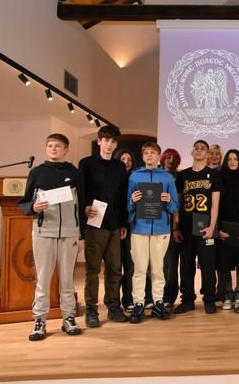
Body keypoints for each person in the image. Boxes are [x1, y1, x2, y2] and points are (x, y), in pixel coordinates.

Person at [19, 134, 86, 341]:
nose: (53, 148)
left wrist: (82, 236)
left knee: (67, 280)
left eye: (58, 145)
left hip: (69, 233)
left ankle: (68, 318)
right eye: (50, 145)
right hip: (43, 233)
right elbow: (24, 203)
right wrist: (34, 207)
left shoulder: (75, 173)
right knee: (42, 279)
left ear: (66, 150)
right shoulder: (37, 172)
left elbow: (82, 205)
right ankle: (39, 320)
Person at [79, 125, 129, 327]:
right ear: (99, 141)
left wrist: (124, 222)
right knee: (92, 269)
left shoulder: (119, 167)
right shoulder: (86, 164)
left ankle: (114, 306)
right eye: (106, 140)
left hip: (115, 224)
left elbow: (123, 195)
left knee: (115, 268)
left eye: (113, 141)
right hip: (94, 223)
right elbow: (81, 191)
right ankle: (91, 309)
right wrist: (85, 207)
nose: (109, 144)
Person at [127, 142, 178, 323]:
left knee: (158, 269)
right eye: (146, 153)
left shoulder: (167, 178)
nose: (149, 155)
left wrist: (169, 200)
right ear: (142, 156)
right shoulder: (134, 176)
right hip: (139, 229)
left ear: (158, 157)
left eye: (153, 153)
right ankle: (138, 304)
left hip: (161, 229)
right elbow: (128, 206)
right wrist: (133, 201)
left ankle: (158, 303)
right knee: (139, 269)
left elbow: (175, 207)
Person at [173, 140, 222, 314]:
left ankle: (209, 299)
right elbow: (177, 203)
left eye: (203, 149)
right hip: (186, 226)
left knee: (208, 265)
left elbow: (215, 204)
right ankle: (187, 300)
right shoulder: (183, 175)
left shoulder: (213, 175)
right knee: (186, 266)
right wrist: (176, 227)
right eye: (197, 148)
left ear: (207, 154)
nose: (199, 151)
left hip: (205, 226)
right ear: (192, 152)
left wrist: (212, 227)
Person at [217, 150, 239, 311]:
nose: (232, 161)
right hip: (224, 230)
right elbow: (214, 207)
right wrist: (218, 229)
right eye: (229, 159)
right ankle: (228, 295)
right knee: (225, 265)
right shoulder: (219, 179)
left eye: (235, 158)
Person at [113, 148, 143, 311]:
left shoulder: (135, 179)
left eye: (129, 160)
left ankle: (128, 299)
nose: (126, 162)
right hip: (116, 227)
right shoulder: (113, 179)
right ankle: (114, 302)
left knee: (130, 266)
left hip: (133, 227)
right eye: (123, 159)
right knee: (116, 267)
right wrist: (120, 225)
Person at [161, 148, 182, 308]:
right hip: (157, 222)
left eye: (174, 158)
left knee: (171, 262)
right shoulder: (155, 175)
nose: (171, 160)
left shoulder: (180, 177)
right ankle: (155, 295)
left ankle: (169, 296)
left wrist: (176, 227)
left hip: (175, 223)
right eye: (168, 157)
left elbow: (178, 203)